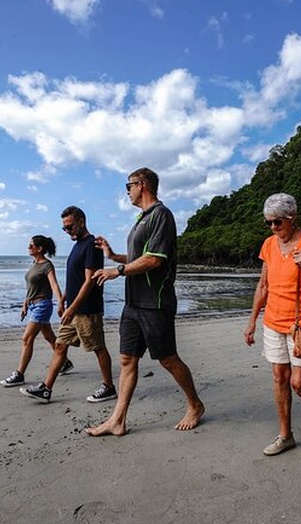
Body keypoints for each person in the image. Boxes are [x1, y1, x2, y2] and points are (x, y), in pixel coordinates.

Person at [85, 167, 205, 436]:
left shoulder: (161, 215)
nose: (127, 191)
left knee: (168, 359)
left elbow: (155, 259)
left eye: (128, 186)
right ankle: (117, 419)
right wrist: (115, 256)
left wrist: (116, 271)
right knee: (127, 359)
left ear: (142, 184)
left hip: (155, 302)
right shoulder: (142, 218)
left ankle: (195, 405)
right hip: (133, 303)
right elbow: (140, 257)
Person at [243, 193, 301, 456]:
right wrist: (252, 321)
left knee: (299, 383)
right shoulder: (269, 245)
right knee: (279, 378)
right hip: (273, 321)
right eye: (269, 223)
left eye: (278, 222)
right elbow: (263, 285)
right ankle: (285, 435)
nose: (274, 228)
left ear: (292, 217)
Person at [19, 206, 117, 403]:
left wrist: (72, 307)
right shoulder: (77, 245)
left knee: (98, 347)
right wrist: (64, 299)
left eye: (70, 226)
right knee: (60, 347)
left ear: (81, 221)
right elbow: (76, 279)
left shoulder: (92, 244)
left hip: (87, 309)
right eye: (64, 228)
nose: (67, 231)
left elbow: (89, 280)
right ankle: (46, 389)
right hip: (73, 308)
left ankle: (109, 387)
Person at [0, 235, 72, 387]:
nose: (28, 247)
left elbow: (54, 285)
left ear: (39, 249)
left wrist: (60, 303)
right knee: (48, 336)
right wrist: (25, 303)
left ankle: (19, 375)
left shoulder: (47, 265)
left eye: (31, 245)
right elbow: (32, 287)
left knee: (27, 338)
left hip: (42, 306)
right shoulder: (34, 264)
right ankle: (64, 363)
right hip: (33, 305)